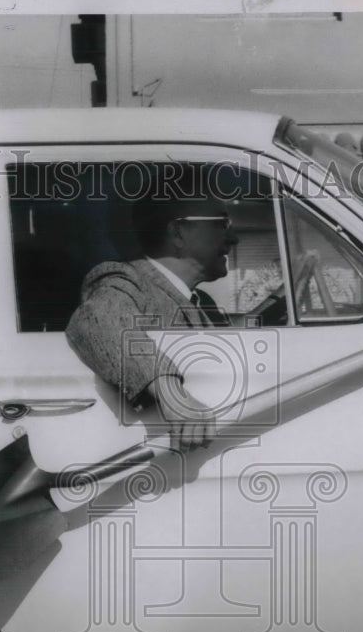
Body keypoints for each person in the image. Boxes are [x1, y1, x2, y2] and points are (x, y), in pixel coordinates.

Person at [65, 194, 237, 452]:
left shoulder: (204, 303)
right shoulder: (125, 279)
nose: (234, 238)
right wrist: (172, 395)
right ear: (178, 233)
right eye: (222, 224)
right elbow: (99, 319)